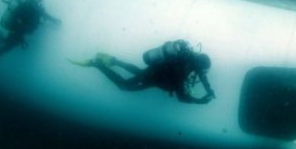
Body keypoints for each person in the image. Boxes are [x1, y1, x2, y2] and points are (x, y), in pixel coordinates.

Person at [75, 40, 215, 104]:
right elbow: (182, 97)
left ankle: (114, 61)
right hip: (153, 77)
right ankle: (97, 64)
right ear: (199, 65)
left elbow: (203, 77)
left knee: (139, 72)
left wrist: (210, 91)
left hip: (155, 72)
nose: (201, 73)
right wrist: (199, 101)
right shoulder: (183, 70)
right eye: (201, 70)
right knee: (124, 86)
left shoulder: (189, 60)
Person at [0, 0, 60, 80]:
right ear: (35, 0)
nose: (40, 3)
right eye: (39, 1)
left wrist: (54, 20)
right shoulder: (29, 8)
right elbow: (19, 21)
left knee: (5, 43)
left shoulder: (33, 8)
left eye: (40, 1)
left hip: (17, 35)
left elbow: (43, 14)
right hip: (17, 35)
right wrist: (21, 36)